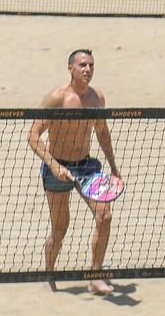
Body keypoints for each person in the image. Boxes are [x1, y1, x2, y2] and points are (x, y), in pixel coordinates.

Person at [28, 49, 122, 296]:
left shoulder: (97, 98)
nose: (87, 69)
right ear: (70, 68)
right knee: (60, 228)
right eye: (82, 65)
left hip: (86, 165)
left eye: (91, 65)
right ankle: (49, 274)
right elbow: (33, 136)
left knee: (105, 216)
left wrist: (113, 168)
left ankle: (95, 274)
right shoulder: (57, 98)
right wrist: (54, 165)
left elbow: (102, 132)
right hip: (57, 164)